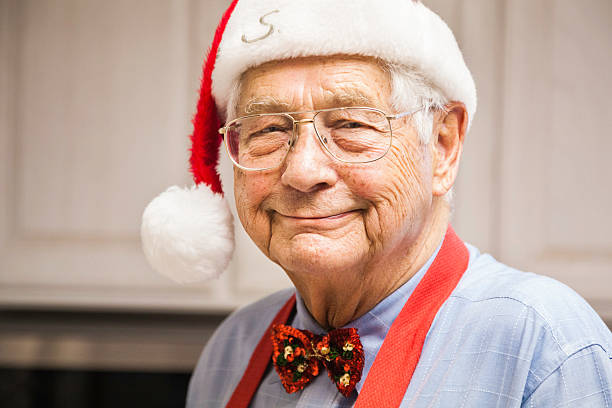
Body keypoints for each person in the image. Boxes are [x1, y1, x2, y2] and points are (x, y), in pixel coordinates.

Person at [140, 0, 612, 406]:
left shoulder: (547, 347)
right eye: (268, 130)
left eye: (350, 125)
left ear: (443, 145)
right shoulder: (231, 350)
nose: (303, 172)